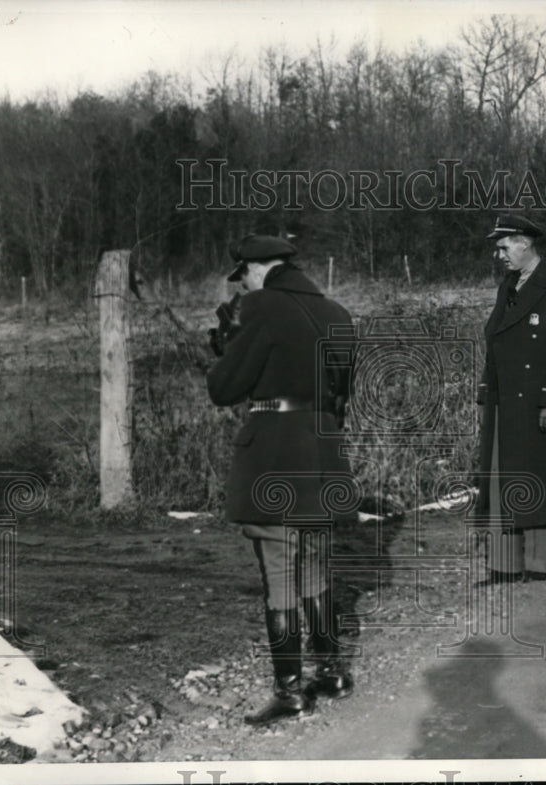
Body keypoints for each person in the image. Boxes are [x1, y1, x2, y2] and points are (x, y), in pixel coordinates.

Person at [206, 234, 357, 725]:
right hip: (323, 448)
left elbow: (225, 387)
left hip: (276, 451)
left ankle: (290, 690)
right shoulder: (334, 310)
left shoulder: (260, 305)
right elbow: (341, 390)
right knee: (313, 563)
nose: (243, 283)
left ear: (255, 267)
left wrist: (225, 344)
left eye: (243, 274)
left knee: (279, 574)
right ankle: (332, 671)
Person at [475, 214, 546, 584]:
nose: (498, 254)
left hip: (538, 401)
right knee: (503, 479)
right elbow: (496, 337)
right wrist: (486, 391)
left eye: (504, 246)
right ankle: (505, 565)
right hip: (506, 400)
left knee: (538, 480)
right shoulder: (509, 283)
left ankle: (535, 564)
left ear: (525, 243)